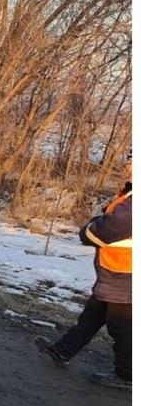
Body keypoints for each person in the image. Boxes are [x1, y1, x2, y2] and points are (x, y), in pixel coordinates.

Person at [36, 155, 132, 390]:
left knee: (121, 326)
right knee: (93, 315)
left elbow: (104, 231)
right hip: (116, 271)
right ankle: (63, 350)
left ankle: (128, 375)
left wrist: (88, 230)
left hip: (126, 274)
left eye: (133, 161)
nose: (127, 165)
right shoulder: (130, 192)